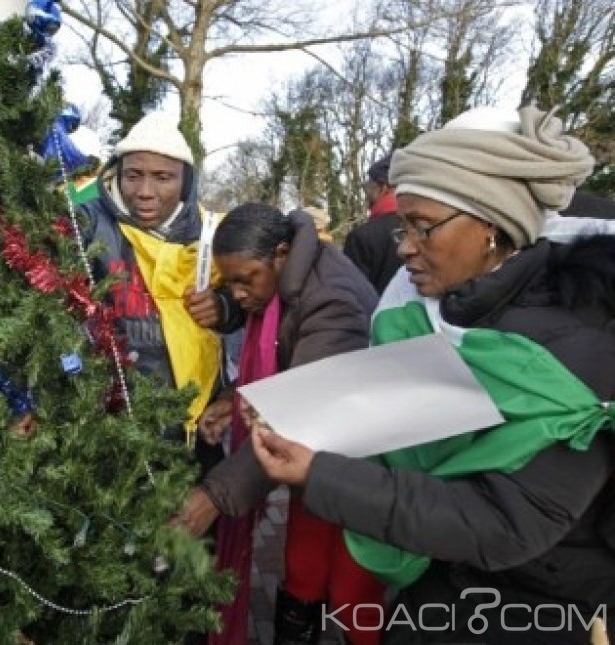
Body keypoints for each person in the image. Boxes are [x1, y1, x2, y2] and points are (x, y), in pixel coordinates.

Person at [247, 105, 613, 644]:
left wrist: (317, 473)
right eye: (402, 226)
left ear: (492, 222)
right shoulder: (451, 313)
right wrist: (299, 416)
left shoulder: (583, 346)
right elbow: (403, 408)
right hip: (439, 590)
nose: (403, 247)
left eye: (423, 227)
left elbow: (503, 521)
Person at [176, 206, 383, 644]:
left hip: (359, 458)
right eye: (226, 282)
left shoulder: (332, 303)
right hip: (320, 454)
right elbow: (271, 336)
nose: (237, 294)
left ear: (281, 254)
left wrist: (214, 495)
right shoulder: (288, 278)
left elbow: (302, 414)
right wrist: (236, 399)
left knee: (352, 588)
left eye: (244, 280)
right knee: (303, 569)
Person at [77, 111, 231, 461]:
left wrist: (225, 308)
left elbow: (257, 295)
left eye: (163, 178)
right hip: (108, 427)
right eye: (133, 176)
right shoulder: (84, 224)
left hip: (195, 425)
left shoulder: (212, 235)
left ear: (186, 182)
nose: (145, 192)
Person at [343, 154, 402, 294]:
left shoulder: (361, 237)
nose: (366, 194)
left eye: (368, 187)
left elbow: (351, 296)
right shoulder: (424, 229)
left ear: (383, 187)